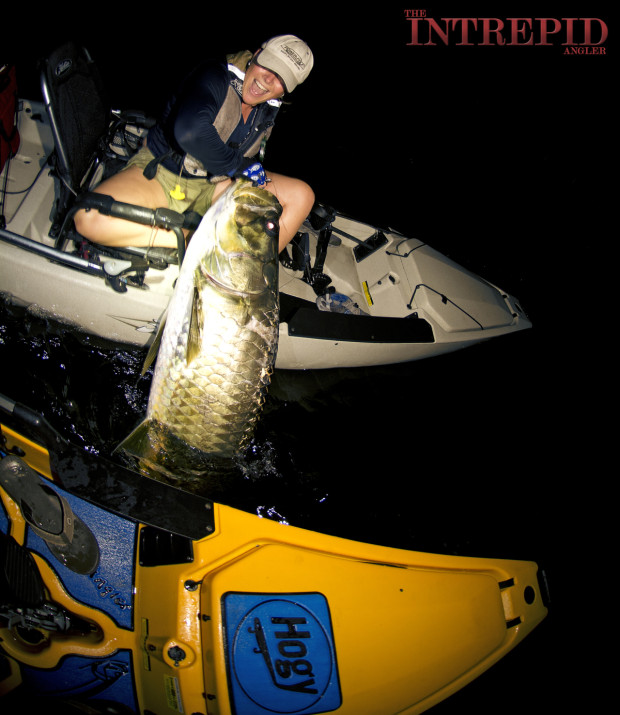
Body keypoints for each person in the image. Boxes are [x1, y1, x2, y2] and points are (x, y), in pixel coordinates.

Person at [75, 35, 315, 253]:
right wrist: (236, 165)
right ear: (256, 55)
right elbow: (190, 132)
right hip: (165, 173)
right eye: (268, 65)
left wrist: (249, 168)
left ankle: (256, 270)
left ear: (287, 89)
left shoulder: (269, 106)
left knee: (302, 195)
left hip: (218, 184)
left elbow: (243, 150)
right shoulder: (215, 75)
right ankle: (196, 242)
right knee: (89, 218)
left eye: (282, 78)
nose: (269, 79)